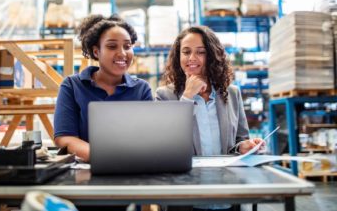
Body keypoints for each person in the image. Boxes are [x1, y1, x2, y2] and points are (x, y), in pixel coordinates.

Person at [156, 26, 265, 211]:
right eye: (186, 52)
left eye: (201, 52)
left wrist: (243, 146)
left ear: (212, 56)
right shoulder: (165, 95)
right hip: (185, 197)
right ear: (178, 57)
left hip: (226, 194)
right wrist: (188, 97)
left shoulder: (231, 94)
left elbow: (240, 138)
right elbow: (164, 143)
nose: (192, 58)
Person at [54, 14, 153, 163]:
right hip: (88, 172)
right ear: (96, 51)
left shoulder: (141, 89)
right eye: (112, 46)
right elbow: (65, 138)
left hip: (133, 170)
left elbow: (149, 137)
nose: (122, 53)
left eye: (127, 46)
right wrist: (104, 158)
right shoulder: (72, 86)